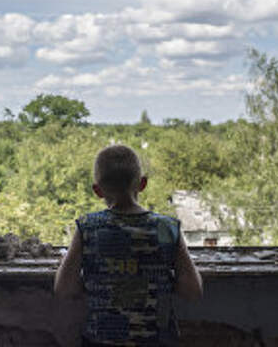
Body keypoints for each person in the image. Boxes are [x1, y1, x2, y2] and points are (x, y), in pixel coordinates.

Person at [54, 145, 203, 347]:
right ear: (142, 184)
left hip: (102, 340)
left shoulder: (88, 228)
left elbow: (64, 289)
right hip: (156, 340)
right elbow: (192, 291)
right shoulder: (167, 228)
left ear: (97, 190)